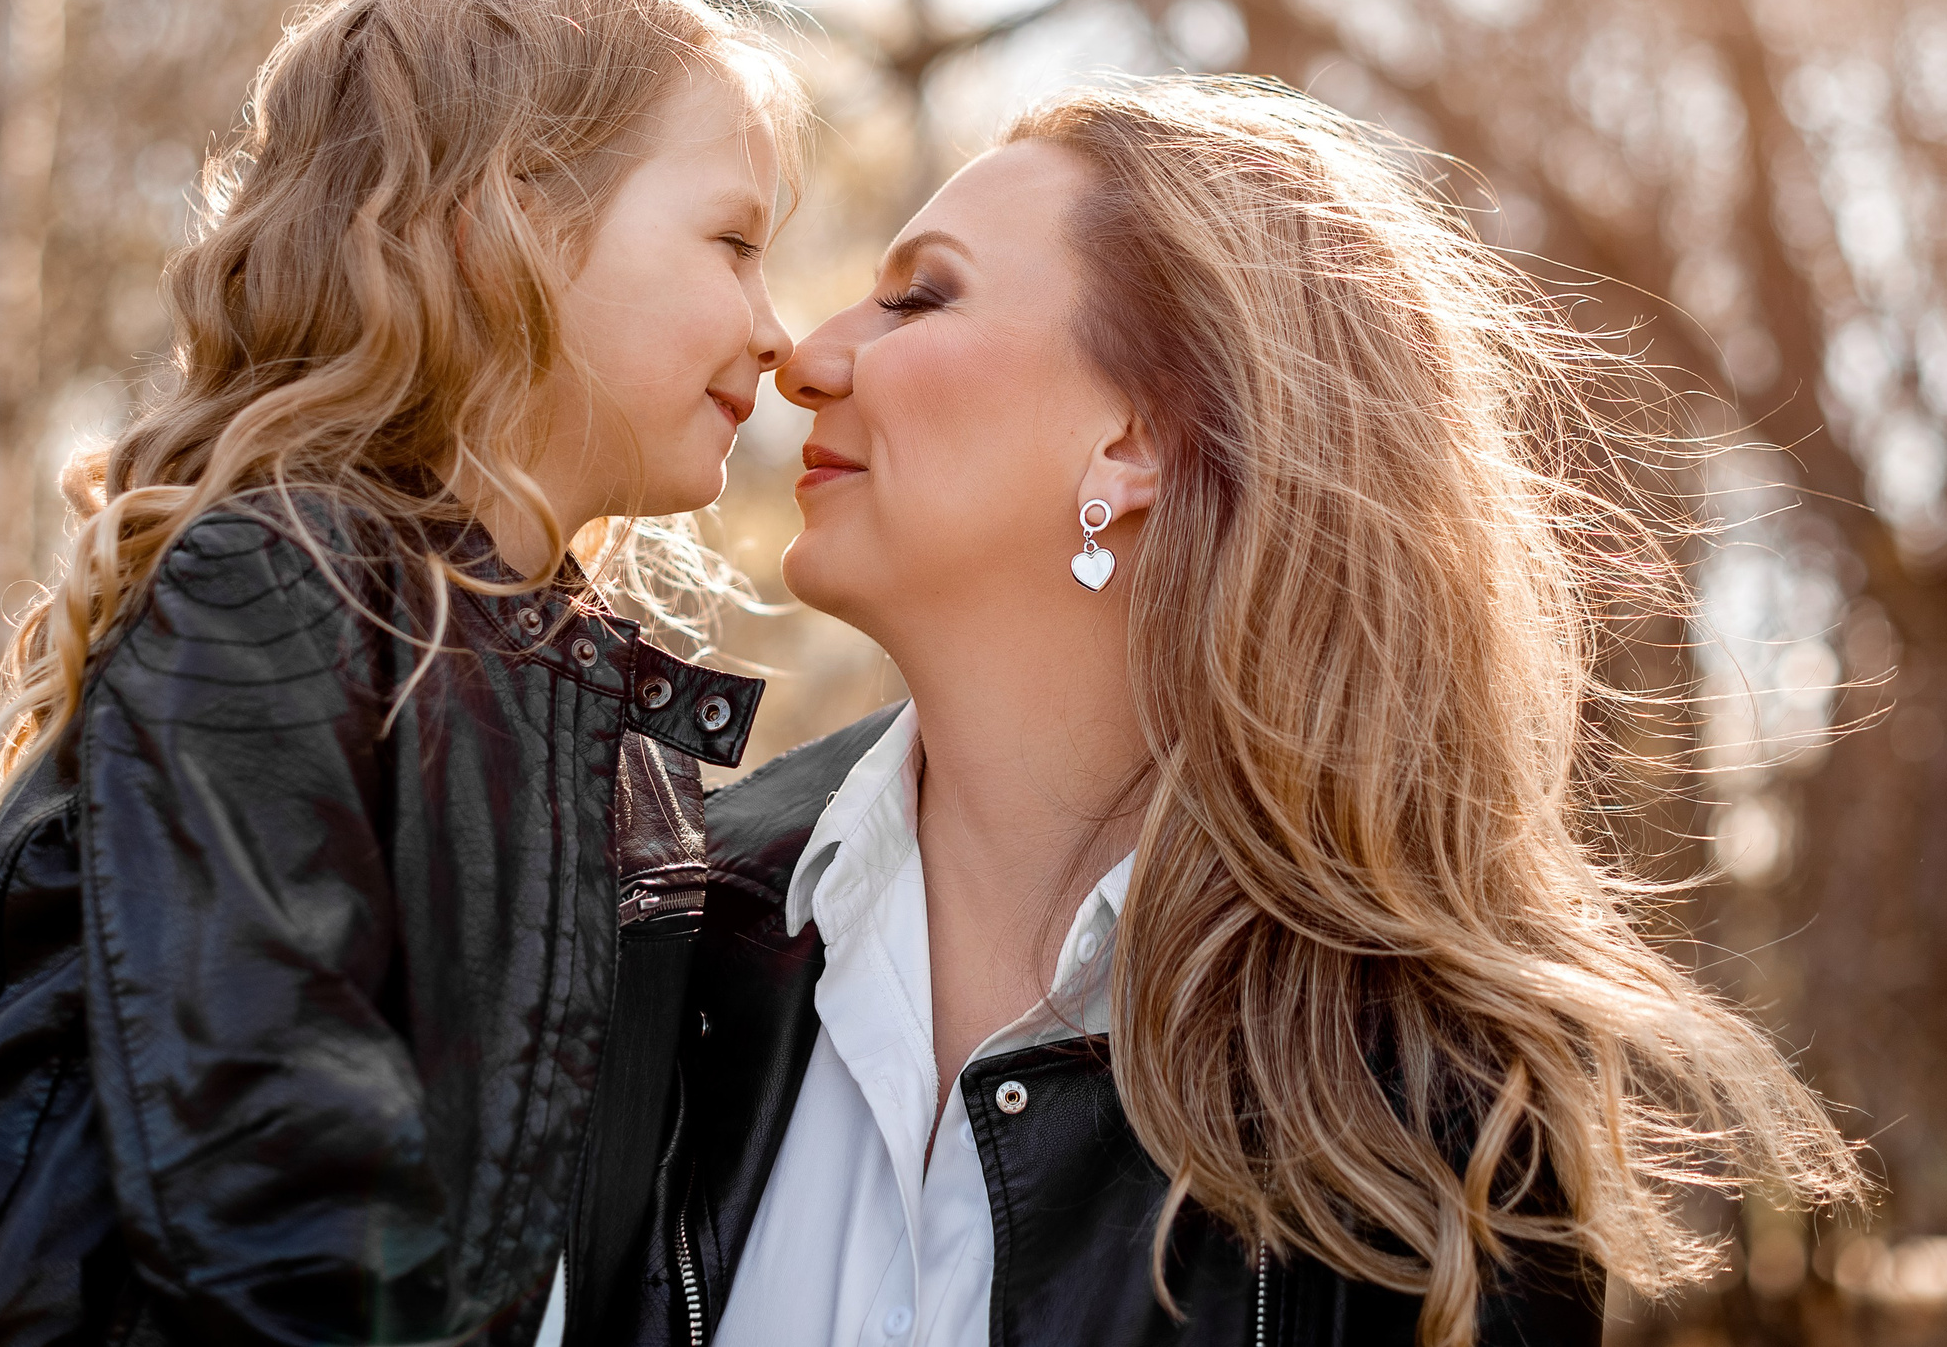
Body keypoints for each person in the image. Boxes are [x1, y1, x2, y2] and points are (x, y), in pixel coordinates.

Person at [625, 78, 1866, 1346]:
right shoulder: (661, 928)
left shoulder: (1438, 1100)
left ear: (1137, 436)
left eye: (920, 295)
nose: (808, 353)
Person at [0, 0, 799, 1347]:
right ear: (504, 220)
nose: (777, 327)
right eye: (734, 243)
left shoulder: (591, 703)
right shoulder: (279, 592)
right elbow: (274, 1190)